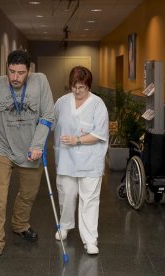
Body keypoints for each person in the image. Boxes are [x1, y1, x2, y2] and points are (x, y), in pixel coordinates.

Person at [0, 49, 54, 261]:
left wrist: (37, 145)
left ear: (29, 71)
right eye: (11, 72)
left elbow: (48, 115)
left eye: (21, 73)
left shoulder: (40, 81)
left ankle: (20, 224)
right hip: (2, 148)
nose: (15, 77)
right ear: (6, 69)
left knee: (28, 193)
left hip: (30, 150)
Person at [53, 66, 109, 255]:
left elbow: (100, 134)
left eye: (81, 87)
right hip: (66, 159)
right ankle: (65, 226)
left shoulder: (98, 104)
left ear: (88, 86)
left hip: (90, 160)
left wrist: (77, 139)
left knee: (90, 200)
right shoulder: (61, 102)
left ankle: (90, 240)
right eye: (74, 87)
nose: (77, 91)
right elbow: (51, 123)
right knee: (67, 195)